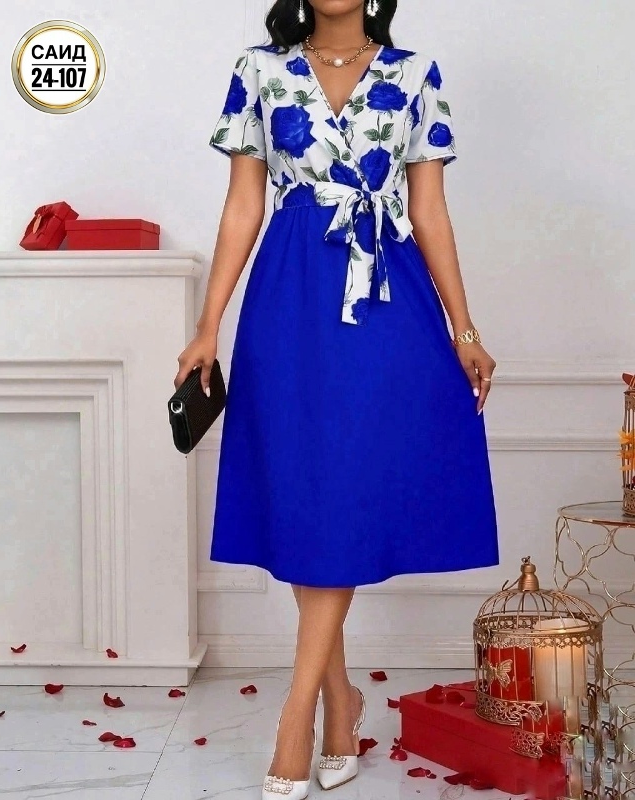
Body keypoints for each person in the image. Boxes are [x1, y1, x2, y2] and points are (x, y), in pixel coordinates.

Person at [174, 0, 499, 796]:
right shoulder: (260, 70)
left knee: (345, 489)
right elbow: (243, 206)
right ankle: (337, 701)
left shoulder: (414, 75)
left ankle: (299, 713)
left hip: (386, 296)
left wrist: (463, 327)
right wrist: (207, 324)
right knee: (308, 492)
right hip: (288, 293)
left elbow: (428, 210)